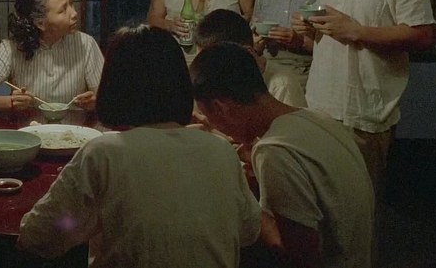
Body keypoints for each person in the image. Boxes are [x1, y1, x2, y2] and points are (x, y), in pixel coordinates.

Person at [18, 25, 262, 267]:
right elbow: (249, 231)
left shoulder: (104, 153)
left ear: (113, 86)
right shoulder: (220, 149)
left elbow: (38, 237)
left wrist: (84, 219)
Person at [291, 0, 436, 198]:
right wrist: (310, 29)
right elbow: (325, 39)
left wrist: (357, 31)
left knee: (359, 205)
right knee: (319, 202)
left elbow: (423, 35)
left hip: (366, 108)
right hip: (320, 102)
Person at [190, 42, 374, 268]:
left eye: (209, 115)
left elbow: (299, 257)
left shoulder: (274, 152)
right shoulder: (318, 119)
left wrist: (241, 196)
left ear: (221, 108)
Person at [0, 0, 104, 111]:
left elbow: (106, 98)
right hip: (28, 124)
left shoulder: (85, 43)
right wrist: (10, 102)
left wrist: (94, 102)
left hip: (74, 123)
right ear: (40, 23)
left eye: (71, 3)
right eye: (63, 10)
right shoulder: (11, 48)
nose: (74, 13)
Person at [196, 8, 307, 108]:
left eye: (213, 63)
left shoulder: (281, 85)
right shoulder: (215, 80)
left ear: (247, 53)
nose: (207, 70)